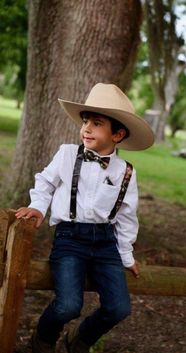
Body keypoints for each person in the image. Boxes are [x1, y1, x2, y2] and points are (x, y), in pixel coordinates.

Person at [15, 83, 154, 353]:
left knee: (118, 308)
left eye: (97, 123)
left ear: (118, 134)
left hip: (106, 244)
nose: (87, 128)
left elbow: (126, 215)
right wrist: (37, 207)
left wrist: (126, 255)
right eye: (86, 121)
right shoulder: (67, 154)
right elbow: (45, 183)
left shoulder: (126, 171)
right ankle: (42, 340)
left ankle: (80, 339)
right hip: (70, 239)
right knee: (68, 305)